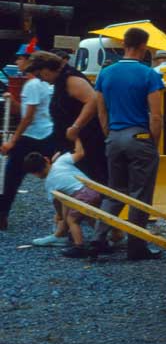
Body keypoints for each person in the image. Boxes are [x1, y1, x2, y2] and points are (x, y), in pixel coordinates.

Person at [94, 27, 164, 259]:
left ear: (124, 44)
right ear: (144, 46)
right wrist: (153, 142)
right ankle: (136, 247)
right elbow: (156, 115)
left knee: (114, 191)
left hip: (114, 136)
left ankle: (98, 239)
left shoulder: (106, 73)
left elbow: (101, 111)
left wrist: (109, 134)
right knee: (140, 194)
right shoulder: (149, 74)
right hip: (139, 137)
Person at [25, 51, 108, 185]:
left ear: (46, 68)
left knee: (94, 179)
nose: (41, 79)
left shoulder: (70, 79)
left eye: (39, 75)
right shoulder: (60, 80)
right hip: (73, 141)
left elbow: (93, 100)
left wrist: (76, 126)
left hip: (88, 141)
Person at [0, 43, 55, 230]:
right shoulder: (41, 84)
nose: (17, 61)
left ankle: (2, 213)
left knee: (11, 175)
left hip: (34, 135)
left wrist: (12, 141)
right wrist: (13, 102)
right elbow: (25, 112)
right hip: (46, 133)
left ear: (30, 61)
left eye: (20, 58)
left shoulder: (32, 84)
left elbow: (28, 118)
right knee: (51, 174)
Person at [23, 139, 102, 258]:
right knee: (90, 217)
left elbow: (56, 201)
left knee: (72, 220)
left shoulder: (49, 183)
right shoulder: (61, 160)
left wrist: (59, 215)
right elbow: (80, 153)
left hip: (83, 195)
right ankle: (102, 240)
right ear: (47, 159)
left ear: (35, 174)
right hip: (94, 190)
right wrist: (77, 138)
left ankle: (79, 247)